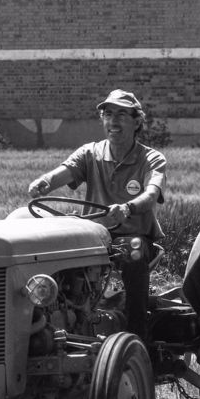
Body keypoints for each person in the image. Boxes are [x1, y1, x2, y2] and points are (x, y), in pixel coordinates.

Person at [27, 89, 167, 338]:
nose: (113, 121)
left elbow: (151, 194)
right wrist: (44, 182)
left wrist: (127, 208)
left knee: (132, 251)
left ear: (136, 122)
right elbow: (64, 172)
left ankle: (138, 335)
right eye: (108, 114)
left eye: (121, 115)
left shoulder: (151, 159)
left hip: (131, 237)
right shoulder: (90, 153)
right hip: (92, 238)